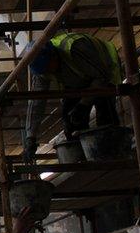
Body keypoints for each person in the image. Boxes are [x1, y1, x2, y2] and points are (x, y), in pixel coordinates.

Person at [24, 32, 123, 161]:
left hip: (104, 72)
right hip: (77, 79)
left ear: (53, 55)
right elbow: (36, 103)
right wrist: (30, 137)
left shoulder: (74, 48)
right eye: (44, 71)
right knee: (71, 119)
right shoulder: (42, 70)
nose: (48, 72)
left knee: (105, 115)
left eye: (48, 68)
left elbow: (101, 78)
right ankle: (83, 160)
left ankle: (113, 156)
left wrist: (84, 104)